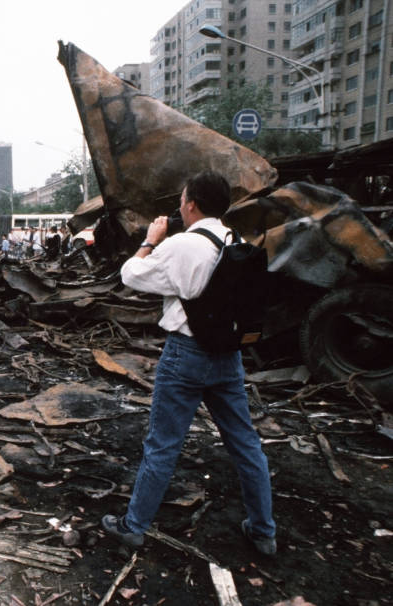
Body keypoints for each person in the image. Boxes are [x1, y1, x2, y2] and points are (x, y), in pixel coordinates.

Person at [101, 171, 276, 556]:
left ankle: (133, 527)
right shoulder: (238, 242)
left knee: (163, 444)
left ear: (192, 204)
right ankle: (264, 531)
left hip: (186, 355)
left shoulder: (182, 245)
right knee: (246, 443)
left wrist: (150, 240)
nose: (180, 205)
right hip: (228, 356)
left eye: (182, 199)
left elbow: (130, 276)